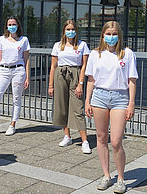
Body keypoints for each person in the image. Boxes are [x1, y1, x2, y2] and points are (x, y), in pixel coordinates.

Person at [85, 21, 137, 193]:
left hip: (120, 98)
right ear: (103, 35)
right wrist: (87, 100)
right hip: (99, 97)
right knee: (101, 138)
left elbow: (132, 80)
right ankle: (107, 175)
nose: (111, 36)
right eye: (108, 33)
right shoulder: (95, 54)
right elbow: (91, 79)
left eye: (114, 33)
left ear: (119, 35)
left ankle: (121, 178)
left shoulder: (127, 54)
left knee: (115, 141)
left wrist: (131, 103)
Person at [48, 20, 92, 154]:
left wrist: (80, 83)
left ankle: (85, 140)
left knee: (78, 108)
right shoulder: (58, 45)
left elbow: (84, 65)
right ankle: (67, 135)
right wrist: (51, 85)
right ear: (64, 31)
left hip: (75, 75)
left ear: (76, 31)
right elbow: (53, 66)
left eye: (72, 29)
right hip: (60, 75)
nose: (70, 32)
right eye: (68, 29)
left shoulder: (82, 45)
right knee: (62, 106)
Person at [0, 16, 30, 136]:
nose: (11, 26)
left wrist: (27, 77)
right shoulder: (2, 39)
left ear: (18, 25)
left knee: (16, 99)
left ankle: (12, 124)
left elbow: (26, 59)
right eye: (9, 24)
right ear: (6, 26)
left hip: (18, 71)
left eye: (14, 24)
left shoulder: (23, 40)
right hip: (3, 70)